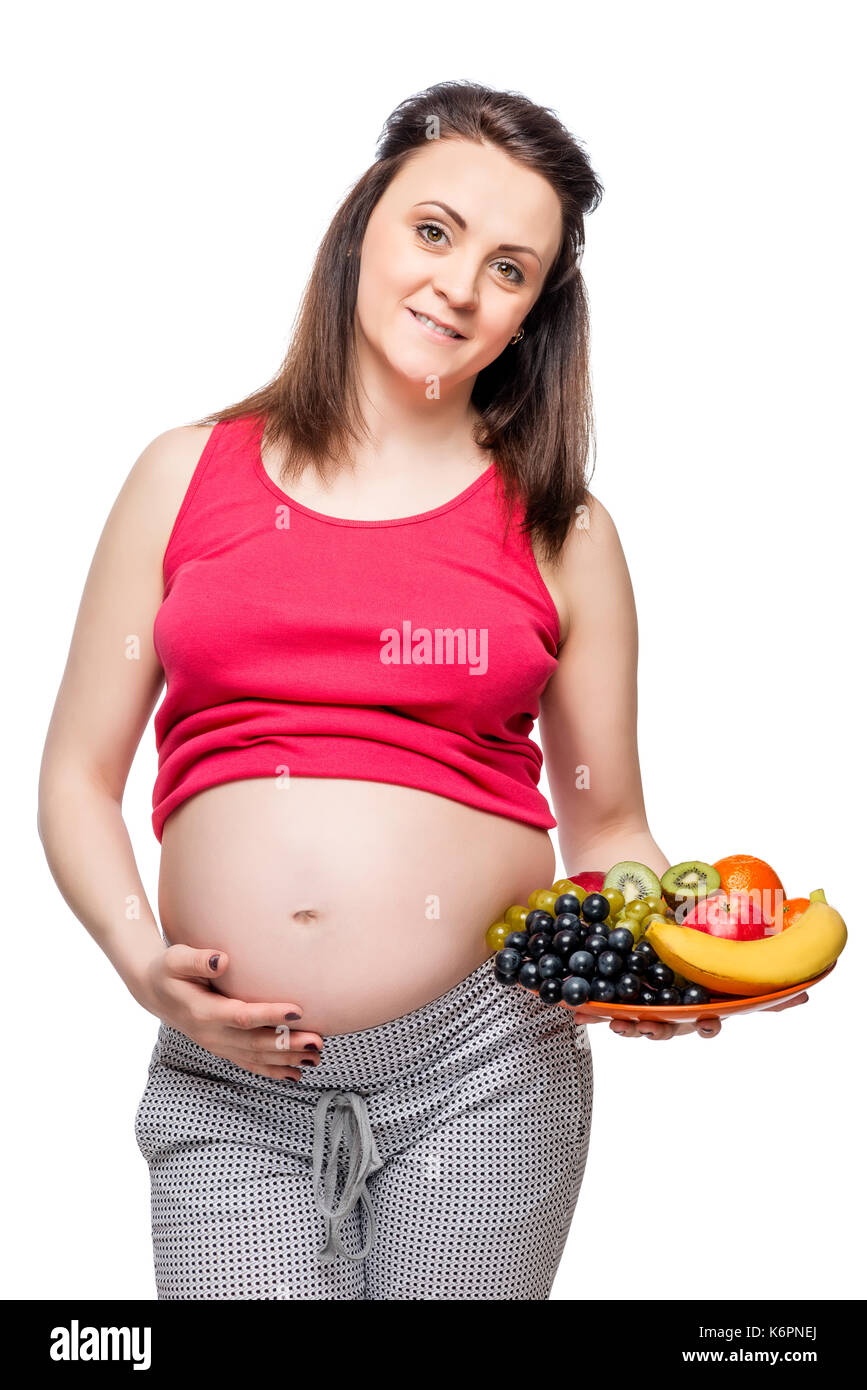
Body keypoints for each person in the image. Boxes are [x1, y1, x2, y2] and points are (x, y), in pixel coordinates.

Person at [36, 79, 806, 1302]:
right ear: (364, 227)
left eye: (510, 269)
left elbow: (605, 819)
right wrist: (143, 966)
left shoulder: (566, 530)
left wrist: (662, 960)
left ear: (532, 316)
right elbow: (77, 776)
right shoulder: (182, 475)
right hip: (230, 1078)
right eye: (435, 231)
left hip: (486, 1061)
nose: (458, 286)